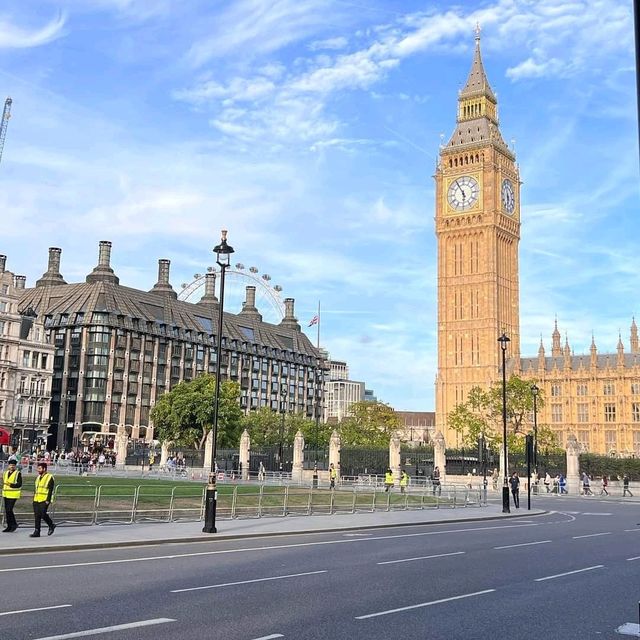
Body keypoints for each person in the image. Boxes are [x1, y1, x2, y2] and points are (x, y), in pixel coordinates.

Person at [31, 463, 55, 538]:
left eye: (40, 468)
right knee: (37, 515)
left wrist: (48, 499)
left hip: (44, 499)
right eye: (38, 468)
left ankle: (51, 525)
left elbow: (50, 490)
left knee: (43, 514)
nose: (38, 470)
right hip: (36, 499)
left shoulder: (49, 477)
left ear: (44, 469)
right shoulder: (38, 477)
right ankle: (37, 531)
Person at [2, 458, 22, 532]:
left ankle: (14, 524)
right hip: (6, 494)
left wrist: (11, 485)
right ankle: (9, 526)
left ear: (15, 466)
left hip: (13, 494)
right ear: (8, 466)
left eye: (13, 465)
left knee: (9, 509)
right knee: (7, 511)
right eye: (11, 465)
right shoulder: (5, 473)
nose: (12, 467)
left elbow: (19, 484)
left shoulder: (17, 473)